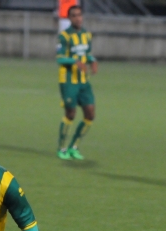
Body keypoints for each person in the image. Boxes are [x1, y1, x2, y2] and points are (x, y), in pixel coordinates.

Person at [56, 5, 97, 161]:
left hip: (84, 81)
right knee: (70, 114)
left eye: (80, 15)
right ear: (70, 18)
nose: (78, 18)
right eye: (74, 15)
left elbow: (87, 54)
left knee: (90, 114)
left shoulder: (87, 34)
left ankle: (74, 147)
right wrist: (74, 61)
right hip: (68, 81)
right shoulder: (64, 36)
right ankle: (61, 148)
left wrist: (92, 61)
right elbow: (59, 58)